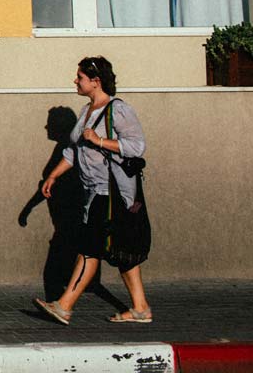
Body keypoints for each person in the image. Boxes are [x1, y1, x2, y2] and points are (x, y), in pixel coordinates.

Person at [33, 56, 152, 325]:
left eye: (80, 77)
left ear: (96, 81)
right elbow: (73, 152)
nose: (75, 81)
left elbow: (136, 146)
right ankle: (141, 308)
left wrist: (99, 140)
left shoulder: (117, 110)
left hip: (111, 192)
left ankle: (64, 306)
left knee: (89, 249)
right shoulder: (87, 111)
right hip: (93, 192)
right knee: (122, 250)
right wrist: (52, 176)